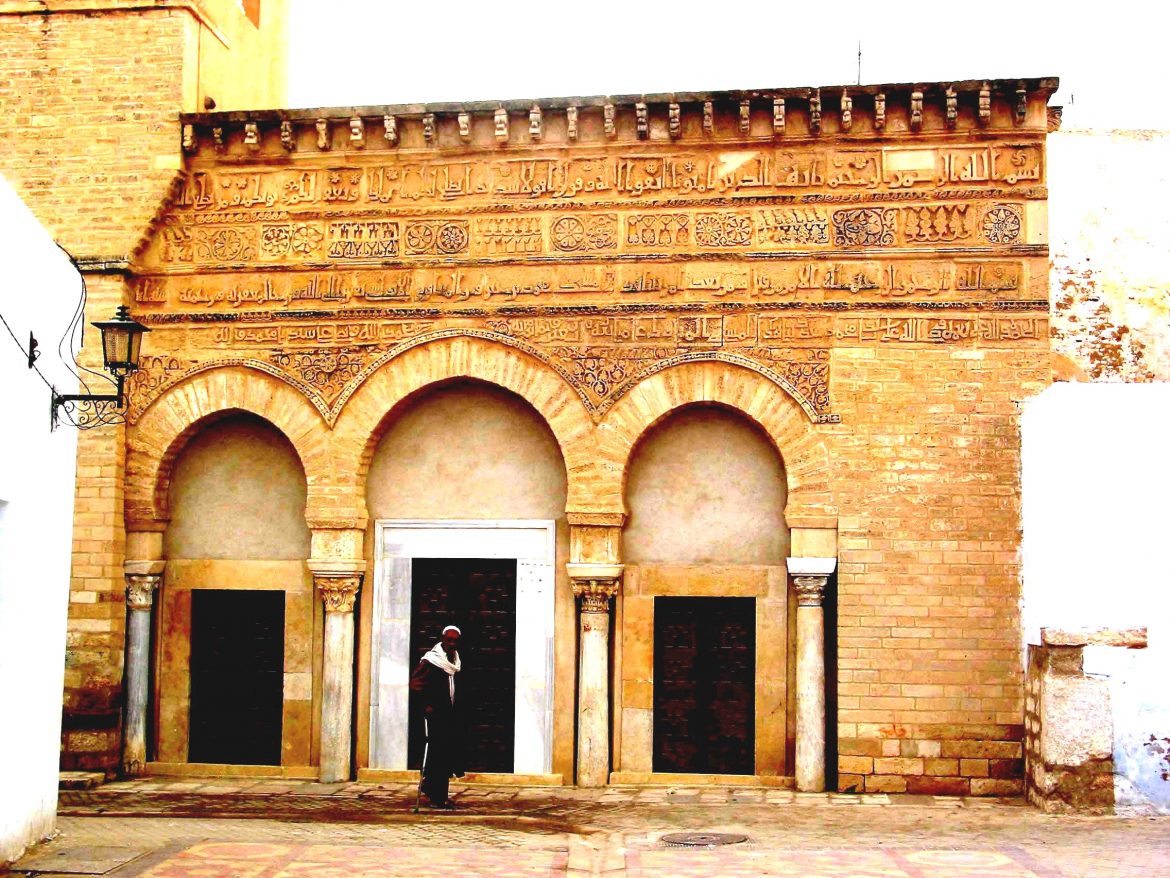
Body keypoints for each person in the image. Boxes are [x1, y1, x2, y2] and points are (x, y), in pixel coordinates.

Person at [409, 624, 465, 809]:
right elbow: (416, 684)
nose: (451, 643)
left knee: (446, 755)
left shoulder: (454, 661)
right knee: (436, 755)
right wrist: (427, 706)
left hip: (449, 716)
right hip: (435, 716)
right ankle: (434, 794)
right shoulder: (432, 660)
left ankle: (440, 794)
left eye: (455, 641)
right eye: (448, 640)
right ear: (442, 639)